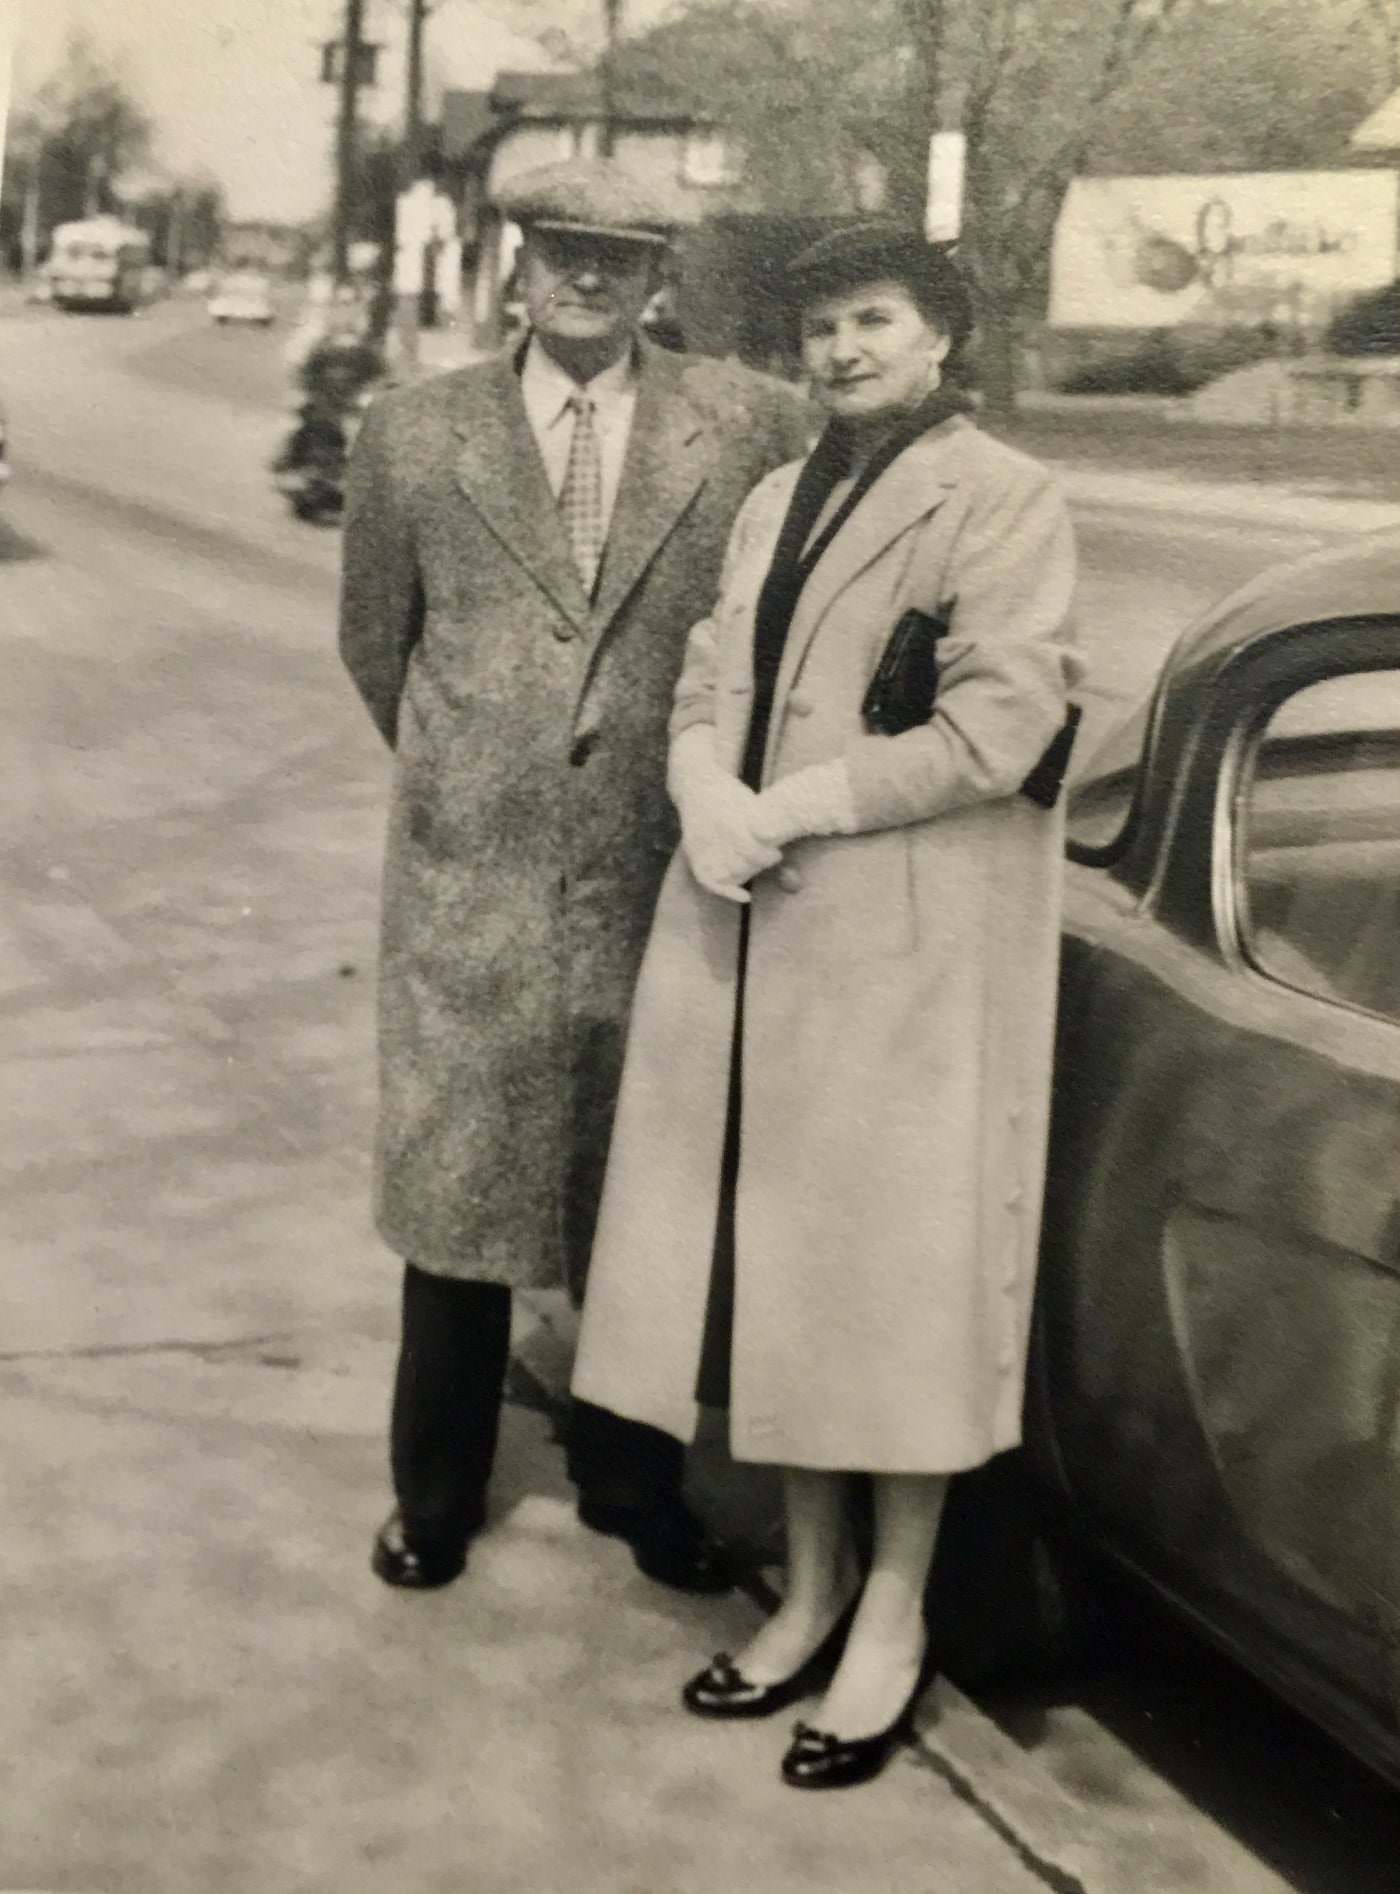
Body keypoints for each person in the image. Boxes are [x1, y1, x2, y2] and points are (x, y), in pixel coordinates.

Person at [571, 222, 1081, 1789]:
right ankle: (810, 1588)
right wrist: (699, 785)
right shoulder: (781, 494)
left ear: (940, 335)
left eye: (872, 321)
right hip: (757, 932)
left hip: (905, 962)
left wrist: (789, 807)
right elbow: (707, 680)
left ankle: (894, 1618)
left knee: (895, 1294)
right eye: (821, 330)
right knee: (782, 1268)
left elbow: (1003, 724)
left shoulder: (1002, 496)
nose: (841, 352)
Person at [338, 159, 809, 1595]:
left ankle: (631, 1485)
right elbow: (377, 643)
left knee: (640, 1197)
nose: (588, 277)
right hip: (471, 880)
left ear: (660, 273)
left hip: (656, 874)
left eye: (621, 254)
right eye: (563, 249)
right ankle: (434, 1493)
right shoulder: (415, 433)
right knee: (459, 1203)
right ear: (519, 260)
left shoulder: (746, 425)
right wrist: (482, 772)